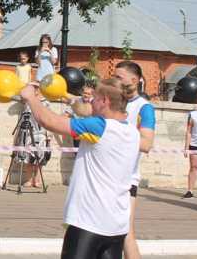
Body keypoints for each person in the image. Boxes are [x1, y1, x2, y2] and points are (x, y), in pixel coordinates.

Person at [20, 78, 139, 259]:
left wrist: (31, 98)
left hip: (88, 222)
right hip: (116, 226)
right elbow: (82, 109)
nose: (91, 101)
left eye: (95, 98)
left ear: (105, 101)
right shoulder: (133, 132)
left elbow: (49, 121)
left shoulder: (99, 127)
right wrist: (64, 95)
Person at [111, 61, 155, 259]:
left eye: (119, 77)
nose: (115, 80)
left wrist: (117, 134)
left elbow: (146, 144)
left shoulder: (144, 108)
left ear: (134, 80)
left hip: (126, 179)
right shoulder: (113, 103)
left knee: (125, 231)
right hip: (106, 176)